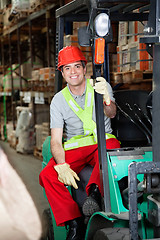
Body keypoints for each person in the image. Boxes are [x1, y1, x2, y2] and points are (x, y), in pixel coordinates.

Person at [39, 45, 120, 240]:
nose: (73, 72)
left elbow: (112, 114)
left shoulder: (100, 85)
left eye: (77, 66)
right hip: (77, 147)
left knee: (111, 152)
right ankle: (73, 221)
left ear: (85, 69)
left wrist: (107, 100)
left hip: (102, 140)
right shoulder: (58, 101)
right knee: (47, 175)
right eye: (67, 68)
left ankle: (93, 195)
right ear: (62, 73)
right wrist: (61, 165)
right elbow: (56, 140)